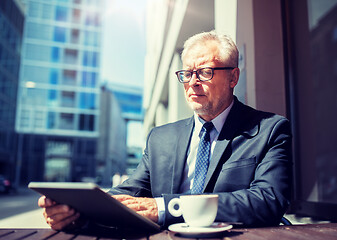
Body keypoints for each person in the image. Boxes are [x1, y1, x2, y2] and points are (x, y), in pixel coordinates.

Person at [38, 30, 292, 230]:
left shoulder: (269, 130)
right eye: (187, 73)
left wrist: (166, 207)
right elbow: (130, 195)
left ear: (233, 78)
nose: (193, 83)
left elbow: (268, 200)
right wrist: (76, 212)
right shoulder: (161, 138)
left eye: (204, 72)